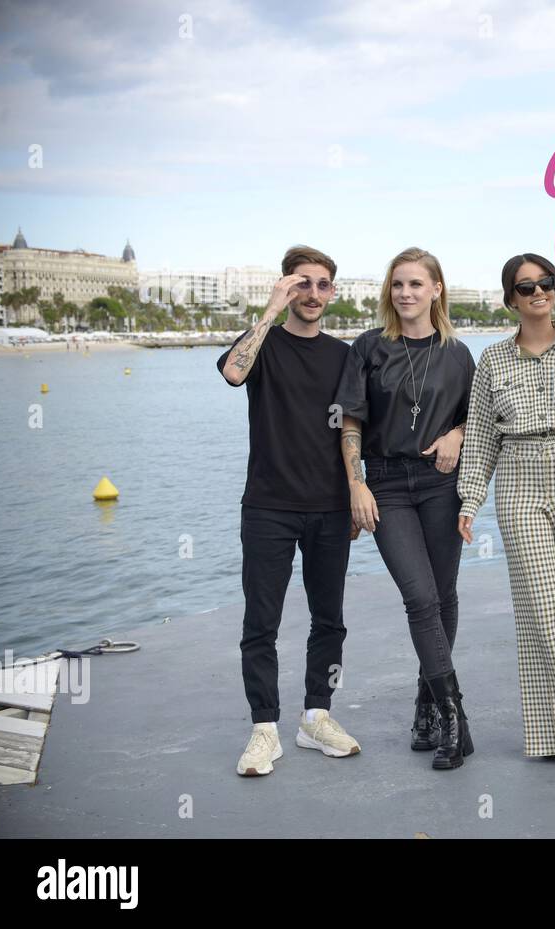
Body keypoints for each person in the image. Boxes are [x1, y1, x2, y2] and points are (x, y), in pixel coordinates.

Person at [457, 253, 555, 773]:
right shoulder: (492, 361)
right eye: (526, 287)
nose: (538, 292)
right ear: (510, 299)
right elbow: (478, 435)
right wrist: (470, 500)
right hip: (519, 479)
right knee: (542, 608)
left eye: (546, 283)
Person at [218, 244, 360, 777]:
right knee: (262, 622)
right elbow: (233, 373)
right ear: (286, 286)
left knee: (330, 621)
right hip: (268, 506)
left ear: (333, 292)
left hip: (328, 507)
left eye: (323, 284)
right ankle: (263, 730)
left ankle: (316, 717)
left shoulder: (345, 356)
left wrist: (354, 490)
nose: (313, 294)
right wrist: (270, 311)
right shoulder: (264, 345)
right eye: (302, 283)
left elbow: (354, 427)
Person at [334, 247, 475, 769]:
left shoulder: (459, 354)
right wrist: (356, 484)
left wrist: (457, 434)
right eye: (398, 285)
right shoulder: (368, 348)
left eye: (416, 284)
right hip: (388, 485)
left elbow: (477, 418)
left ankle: (426, 705)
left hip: (442, 484)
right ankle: (454, 715)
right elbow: (350, 421)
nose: (406, 293)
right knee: (420, 598)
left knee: (443, 595)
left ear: (437, 289)